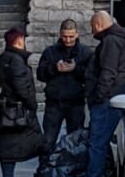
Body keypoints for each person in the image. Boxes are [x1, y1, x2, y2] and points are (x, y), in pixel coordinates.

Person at [75, 9, 125, 177]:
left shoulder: (110, 42)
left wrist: (98, 96)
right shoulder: (118, 41)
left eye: (92, 27)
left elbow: (108, 72)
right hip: (112, 98)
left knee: (97, 142)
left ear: (98, 24)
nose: (92, 31)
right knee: (99, 141)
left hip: (107, 100)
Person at [0, 26, 43, 177]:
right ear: (19, 41)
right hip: (15, 111)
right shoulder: (16, 61)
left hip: (3, 110)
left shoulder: (3, 58)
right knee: (33, 142)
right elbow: (21, 86)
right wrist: (31, 103)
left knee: (7, 145)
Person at [36, 18, 91, 154]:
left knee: (75, 141)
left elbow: (91, 75)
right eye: (65, 36)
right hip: (55, 103)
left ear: (77, 34)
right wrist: (55, 68)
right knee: (48, 141)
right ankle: (45, 170)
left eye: (71, 37)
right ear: (60, 35)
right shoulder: (50, 52)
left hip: (76, 102)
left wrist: (75, 68)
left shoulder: (85, 53)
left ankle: (74, 171)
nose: (68, 40)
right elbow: (40, 74)